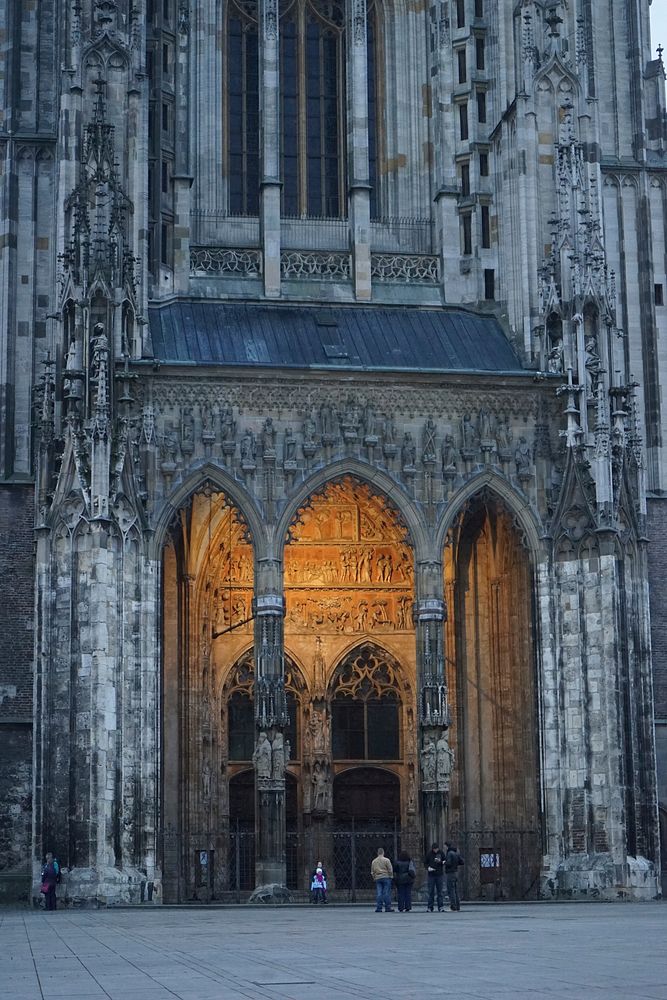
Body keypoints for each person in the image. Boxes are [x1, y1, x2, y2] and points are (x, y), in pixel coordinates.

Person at [424, 842, 446, 912]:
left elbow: (445, 860)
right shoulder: (429, 854)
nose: (435, 850)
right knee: (431, 892)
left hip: (439, 874)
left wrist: (441, 862)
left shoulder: (441, 853)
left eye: (436, 849)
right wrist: (428, 868)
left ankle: (440, 906)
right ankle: (430, 907)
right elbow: (425, 862)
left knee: (440, 892)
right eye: (434, 849)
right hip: (431, 875)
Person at [371, 847, 394, 912]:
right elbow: (390, 869)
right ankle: (388, 907)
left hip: (378, 877)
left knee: (379, 893)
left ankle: (379, 907)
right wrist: (391, 876)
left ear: (377, 853)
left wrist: (374, 877)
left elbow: (372, 871)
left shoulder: (374, 861)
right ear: (383, 852)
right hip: (386, 877)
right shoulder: (386, 860)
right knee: (386, 893)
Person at [444, 841, 463, 911]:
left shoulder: (449, 853)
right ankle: (457, 906)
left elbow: (448, 863)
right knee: (455, 890)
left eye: (444, 846)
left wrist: (444, 862)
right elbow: (462, 861)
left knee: (451, 890)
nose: (444, 848)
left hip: (450, 873)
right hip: (456, 872)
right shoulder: (456, 853)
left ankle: (453, 906)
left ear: (446, 846)